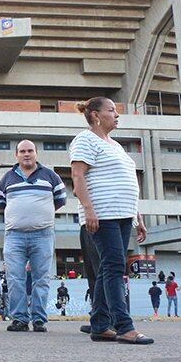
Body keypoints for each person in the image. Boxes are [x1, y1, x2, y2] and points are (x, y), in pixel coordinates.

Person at [70, 97, 153, 344]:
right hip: (102, 215)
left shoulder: (114, 145)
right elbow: (77, 176)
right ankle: (124, 326)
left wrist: (136, 214)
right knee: (115, 266)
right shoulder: (85, 140)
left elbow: (123, 180)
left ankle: (100, 324)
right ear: (95, 115)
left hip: (122, 214)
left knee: (109, 268)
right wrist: (89, 210)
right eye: (112, 111)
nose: (117, 115)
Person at [0, 139, 66, 333]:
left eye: (30, 151)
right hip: (14, 236)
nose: (26, 154)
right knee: (14, 278)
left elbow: (60, 201)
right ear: (16, 155)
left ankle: (38, 319)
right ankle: (19, 318)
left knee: (41, 278)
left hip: (43, 235)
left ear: (36, 153)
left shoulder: (51, 176)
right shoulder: (6, 179)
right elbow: (2, 204)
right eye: (22, 151)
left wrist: (40, 214)